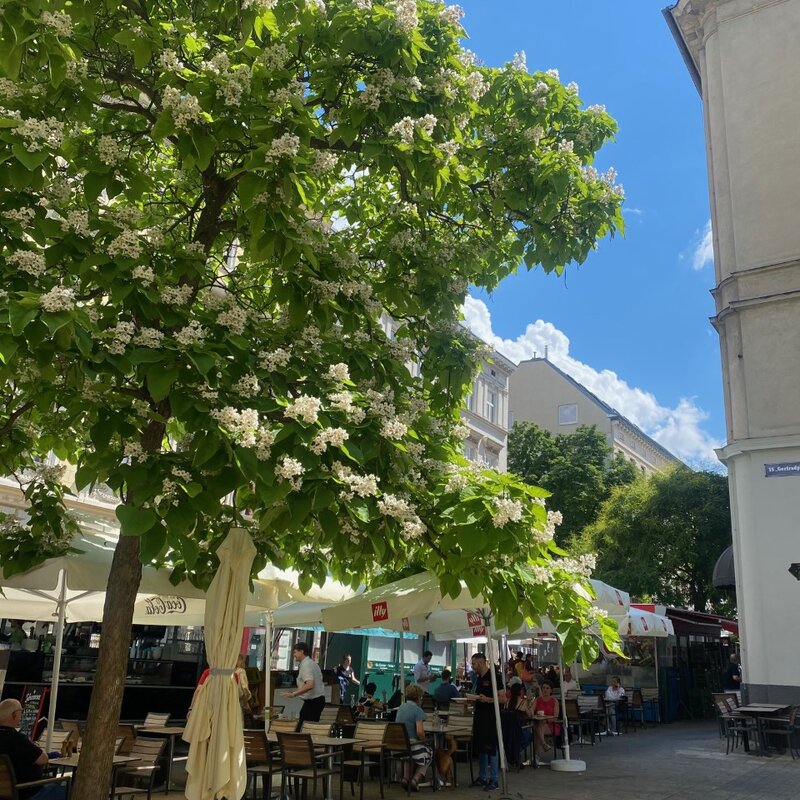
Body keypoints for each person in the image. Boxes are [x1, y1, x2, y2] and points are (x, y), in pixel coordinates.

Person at [0, 699, 66, 800]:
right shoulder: (17, 739)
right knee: (69, 788)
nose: (21, 717)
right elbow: (43, 759)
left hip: (5, 794)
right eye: (20, 713)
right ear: (14, 715)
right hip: (26, 792)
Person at [469, 652, 499, 791]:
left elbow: (504, 699)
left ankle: (494, 779)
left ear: (481, 663)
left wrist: (487, 699)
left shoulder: (494, 677)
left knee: (491, 748)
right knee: (481, 748)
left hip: (491, 717)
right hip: (479, 716)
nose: (472, 666)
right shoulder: (478, 678)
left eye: (474, 664)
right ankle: (482, 777)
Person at [394, 684, 432, 791]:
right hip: (411, 746)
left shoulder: (401, 707)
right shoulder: (418, 710)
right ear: (418, 697)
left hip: (398, 747)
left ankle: (405, 778)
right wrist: (425, 740)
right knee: (430, 752)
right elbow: (420, 732)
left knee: (408, 756)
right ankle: (415, 779)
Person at [280, 642, 326, 722]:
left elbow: (309, 684)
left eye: (295, 652)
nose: (294, 655)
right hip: (317, 700)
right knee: (306, 723)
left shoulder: (306, 665)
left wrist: (294, 694)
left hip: (313, 701)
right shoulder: (312, 663)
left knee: (304, 726)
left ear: (301, 651)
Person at [504, 682, 532, 765]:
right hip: (519, 730)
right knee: (530, 735)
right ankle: (516, 751)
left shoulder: (507, 702)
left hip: (507, 731)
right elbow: (530, 715)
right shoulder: (523, 702)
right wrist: (529, 703)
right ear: (520, 691)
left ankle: (512, 751)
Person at [532, 681, 560, 764]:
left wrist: (546, 720)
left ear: (551, 690)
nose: (545, 690)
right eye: (543, 688)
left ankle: (536, 756)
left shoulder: (554, 701)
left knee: (536, 730)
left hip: (551, 724)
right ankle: (543, 744)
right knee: (538, 725)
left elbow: (556, 716)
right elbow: (531, 711)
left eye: (547, 688)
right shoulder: (537, 700)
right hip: (540, 724)